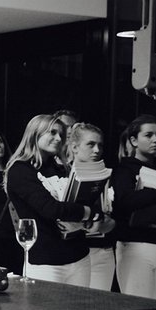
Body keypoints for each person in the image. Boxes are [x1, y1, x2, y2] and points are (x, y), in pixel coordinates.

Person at [5, 114, 105, 285]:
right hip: (46, 260)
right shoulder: (20, 170)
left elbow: (89, 204)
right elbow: (50, 209)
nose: (58, 138)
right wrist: (88, 213)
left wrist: (88, 215)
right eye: (52, 132)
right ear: (35, 133)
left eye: (61, 134)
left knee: (82, 304)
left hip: (79, 255)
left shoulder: (63, 168)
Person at [111, 114, 156, 301]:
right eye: (148, 135)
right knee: (138, 305)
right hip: (136, 244)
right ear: (134, 140)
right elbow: (125, 201)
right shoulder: (124, 170)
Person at [66, 122, 117, 290]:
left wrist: (103, 222)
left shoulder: (106, 176)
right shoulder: (62, 176)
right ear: (75, 147)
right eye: (91, 144)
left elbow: (113, 221)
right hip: (73, 252)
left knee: (99, 302)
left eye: (100, 145)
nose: (97, 150)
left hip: (103, 251)